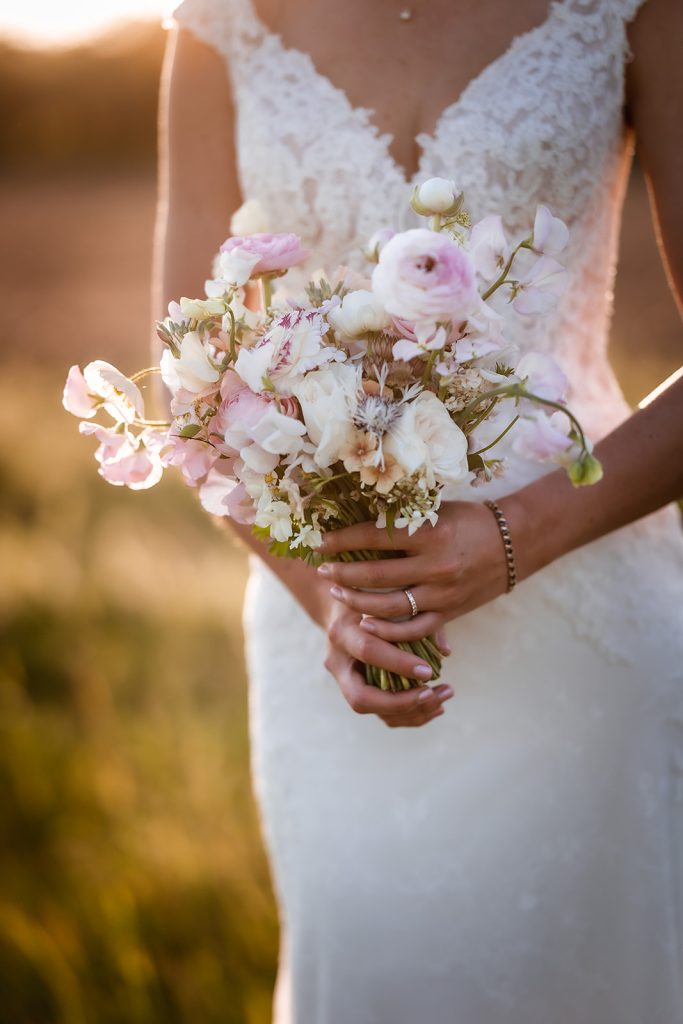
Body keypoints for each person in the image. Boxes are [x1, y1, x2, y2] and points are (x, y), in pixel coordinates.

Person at [157, 0, 683, 1020]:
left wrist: (515, 533)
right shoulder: (218, 23)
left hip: (580, 611)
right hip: (334, 640)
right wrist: (326, 597)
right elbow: (186, 382)